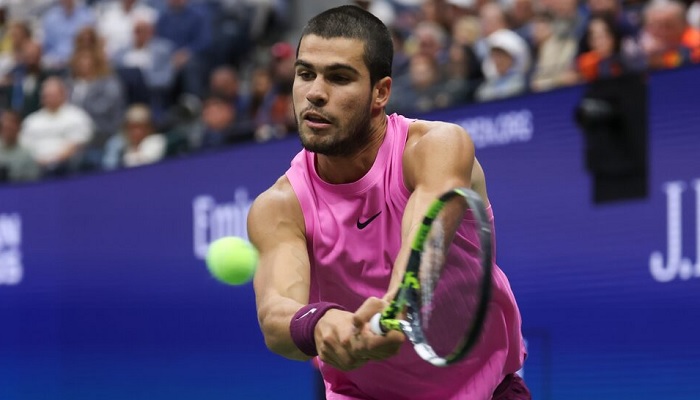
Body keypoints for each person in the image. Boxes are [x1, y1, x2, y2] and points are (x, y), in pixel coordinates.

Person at [248, 5, 529, 400]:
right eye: (305, 74)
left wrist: (398, 304)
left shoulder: (435, 147)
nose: (315, 93)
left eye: (339, 77)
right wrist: (320, 323)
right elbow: (275, 313)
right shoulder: (279, 205)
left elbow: (426, 240)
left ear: (380, 92)